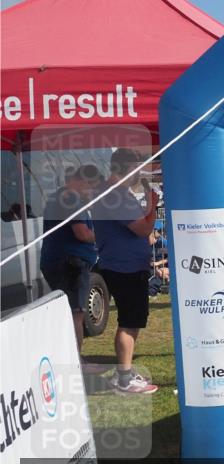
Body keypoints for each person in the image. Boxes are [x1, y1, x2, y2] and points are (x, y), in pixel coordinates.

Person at [90, 148, 159, 395]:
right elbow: (142, 229)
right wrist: (154, 208)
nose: (139, 173)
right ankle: (125, 378)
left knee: (133, 320)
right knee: (129, 322)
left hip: (125, 265)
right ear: (126, 167)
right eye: (137, 168)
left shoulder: (116, 193)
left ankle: (125, 374)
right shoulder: (114, 195)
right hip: (124, 267)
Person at [40, 165, 101, 350]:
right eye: (92, 187)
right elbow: (82, 233)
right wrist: (102, 234)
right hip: (70, 264)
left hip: (60, 261)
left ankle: (73, 358)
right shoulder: (71, 199)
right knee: (76, 313)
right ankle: (77, 362)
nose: (92, 192)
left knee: (71, 312)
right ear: (83, 182)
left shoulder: (58, 196)